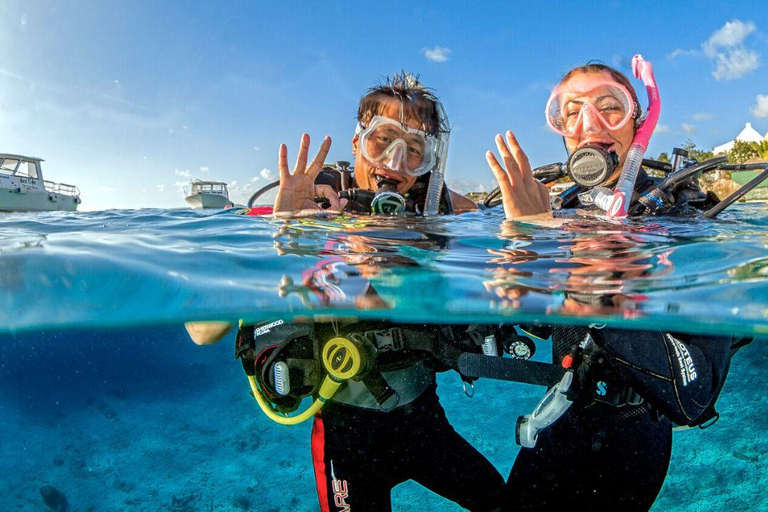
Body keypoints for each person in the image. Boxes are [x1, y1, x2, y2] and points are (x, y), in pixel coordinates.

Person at [187, 72, 504, 512]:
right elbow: (201, 332)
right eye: (383, 140)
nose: (396, 163)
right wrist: (283, 242)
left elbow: (523, 242)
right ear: (357, 142)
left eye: (415, 150)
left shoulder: (442, 210)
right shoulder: (308, 209)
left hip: (424, 421)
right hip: (348, 436)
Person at [484, 59, 749, 511]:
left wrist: (585, 289)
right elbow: (543, 326)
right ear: (561, 130)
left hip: (634, 438)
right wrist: (525, 251)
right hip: (562, 419)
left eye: (610, 107)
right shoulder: (556, 212)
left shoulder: (684, 221)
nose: (590, 124)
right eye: (571, 112)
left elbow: (694, 398)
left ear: (638, 121)